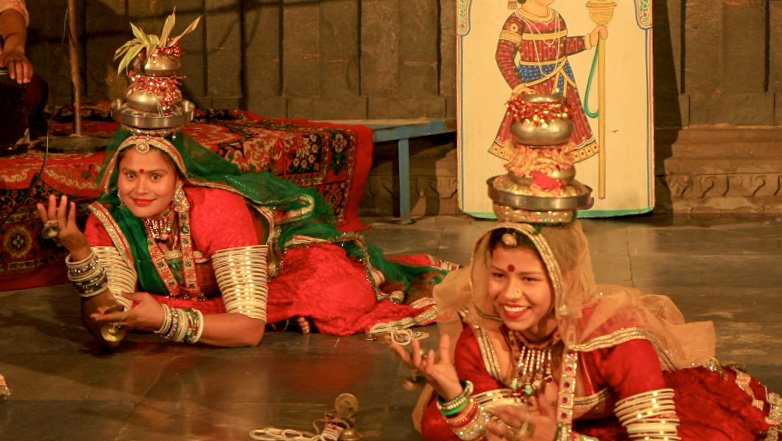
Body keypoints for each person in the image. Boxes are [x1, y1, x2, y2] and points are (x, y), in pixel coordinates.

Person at [37, 130, 452, 348]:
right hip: (213, 301)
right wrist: (79, 251)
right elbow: (109, 329)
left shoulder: (217, 209)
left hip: (280, 266)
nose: (141, 189)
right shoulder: (108, 220)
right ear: (117, 176)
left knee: (339, 295)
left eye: (155, 176)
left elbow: (250, 332)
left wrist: (163, 319)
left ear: (180, 177)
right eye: (131, 175)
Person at [393, 221, 780, 440]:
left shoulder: (616, 339)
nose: (509, 295)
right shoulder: (484, 334)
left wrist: (560, 439)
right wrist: (452, 392)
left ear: (567, 279)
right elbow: (496, 429)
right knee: (437, 421)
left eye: (529, 279)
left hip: (617, 427)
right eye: (498, 275)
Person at [489, 0, 606, 162]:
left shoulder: (557, 17)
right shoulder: (516, 21)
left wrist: (589, 40)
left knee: (564, 145)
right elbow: (503, 56)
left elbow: (561, 47)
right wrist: (519, 87)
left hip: (563, 85)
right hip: (532, 89)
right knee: (530, 147)